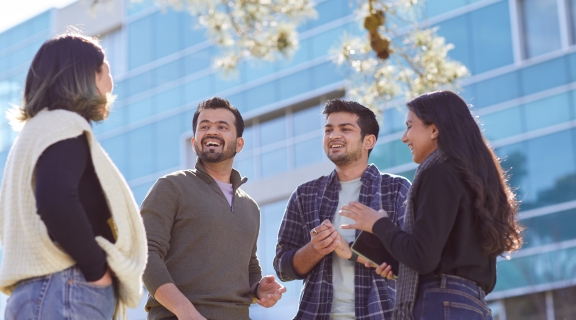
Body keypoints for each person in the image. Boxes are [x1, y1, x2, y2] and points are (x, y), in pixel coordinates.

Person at [0, 33, 148, 320]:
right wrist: (97, 271)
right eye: (106, 68)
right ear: (86, 75)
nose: (111, 80)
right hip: (67, 288)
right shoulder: (63, 124)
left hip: (43, 292)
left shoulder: (35, 133)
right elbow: (55, 201)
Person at [339, 91, 523, 320]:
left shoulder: (437, 172)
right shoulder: (471, 178)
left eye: (409, 126)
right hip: (473, 307)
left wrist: (378, 224)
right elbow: (437, 256)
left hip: (441, 304)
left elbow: (422, 257)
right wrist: (396, 263)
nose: (404, 137)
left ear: (434, 129)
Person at [141, 97, 287, 320]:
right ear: (194, 141)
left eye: (222, 126)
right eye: (205, 126)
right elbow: (145, 255)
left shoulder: (250, 206)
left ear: (239, 144)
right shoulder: (171, 187)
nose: (212, 131)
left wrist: (258, 289)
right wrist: (185, 312)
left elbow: (249, 267)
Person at [274, 99, 411, 319]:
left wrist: (350, 250)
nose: (333, 136)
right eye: (329, 130)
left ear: (368, 141)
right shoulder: (305, 194)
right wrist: (316, 248)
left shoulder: (396, 189)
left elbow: (414, 260)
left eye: (345, 129)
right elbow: (283, 268)